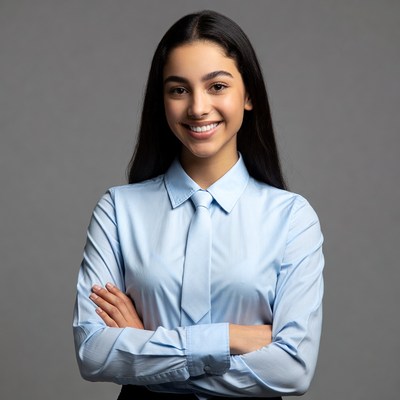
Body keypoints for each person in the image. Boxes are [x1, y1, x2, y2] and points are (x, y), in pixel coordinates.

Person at [73, 9, 324, 400]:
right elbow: (93, 354)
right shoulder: (119, 212)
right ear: (163, 102)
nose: (197, 108)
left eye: (217, 86)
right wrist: (230, 338)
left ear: (249, 95)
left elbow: (292, 370)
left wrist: (144, 346)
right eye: (178, 90)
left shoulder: (292, 218)